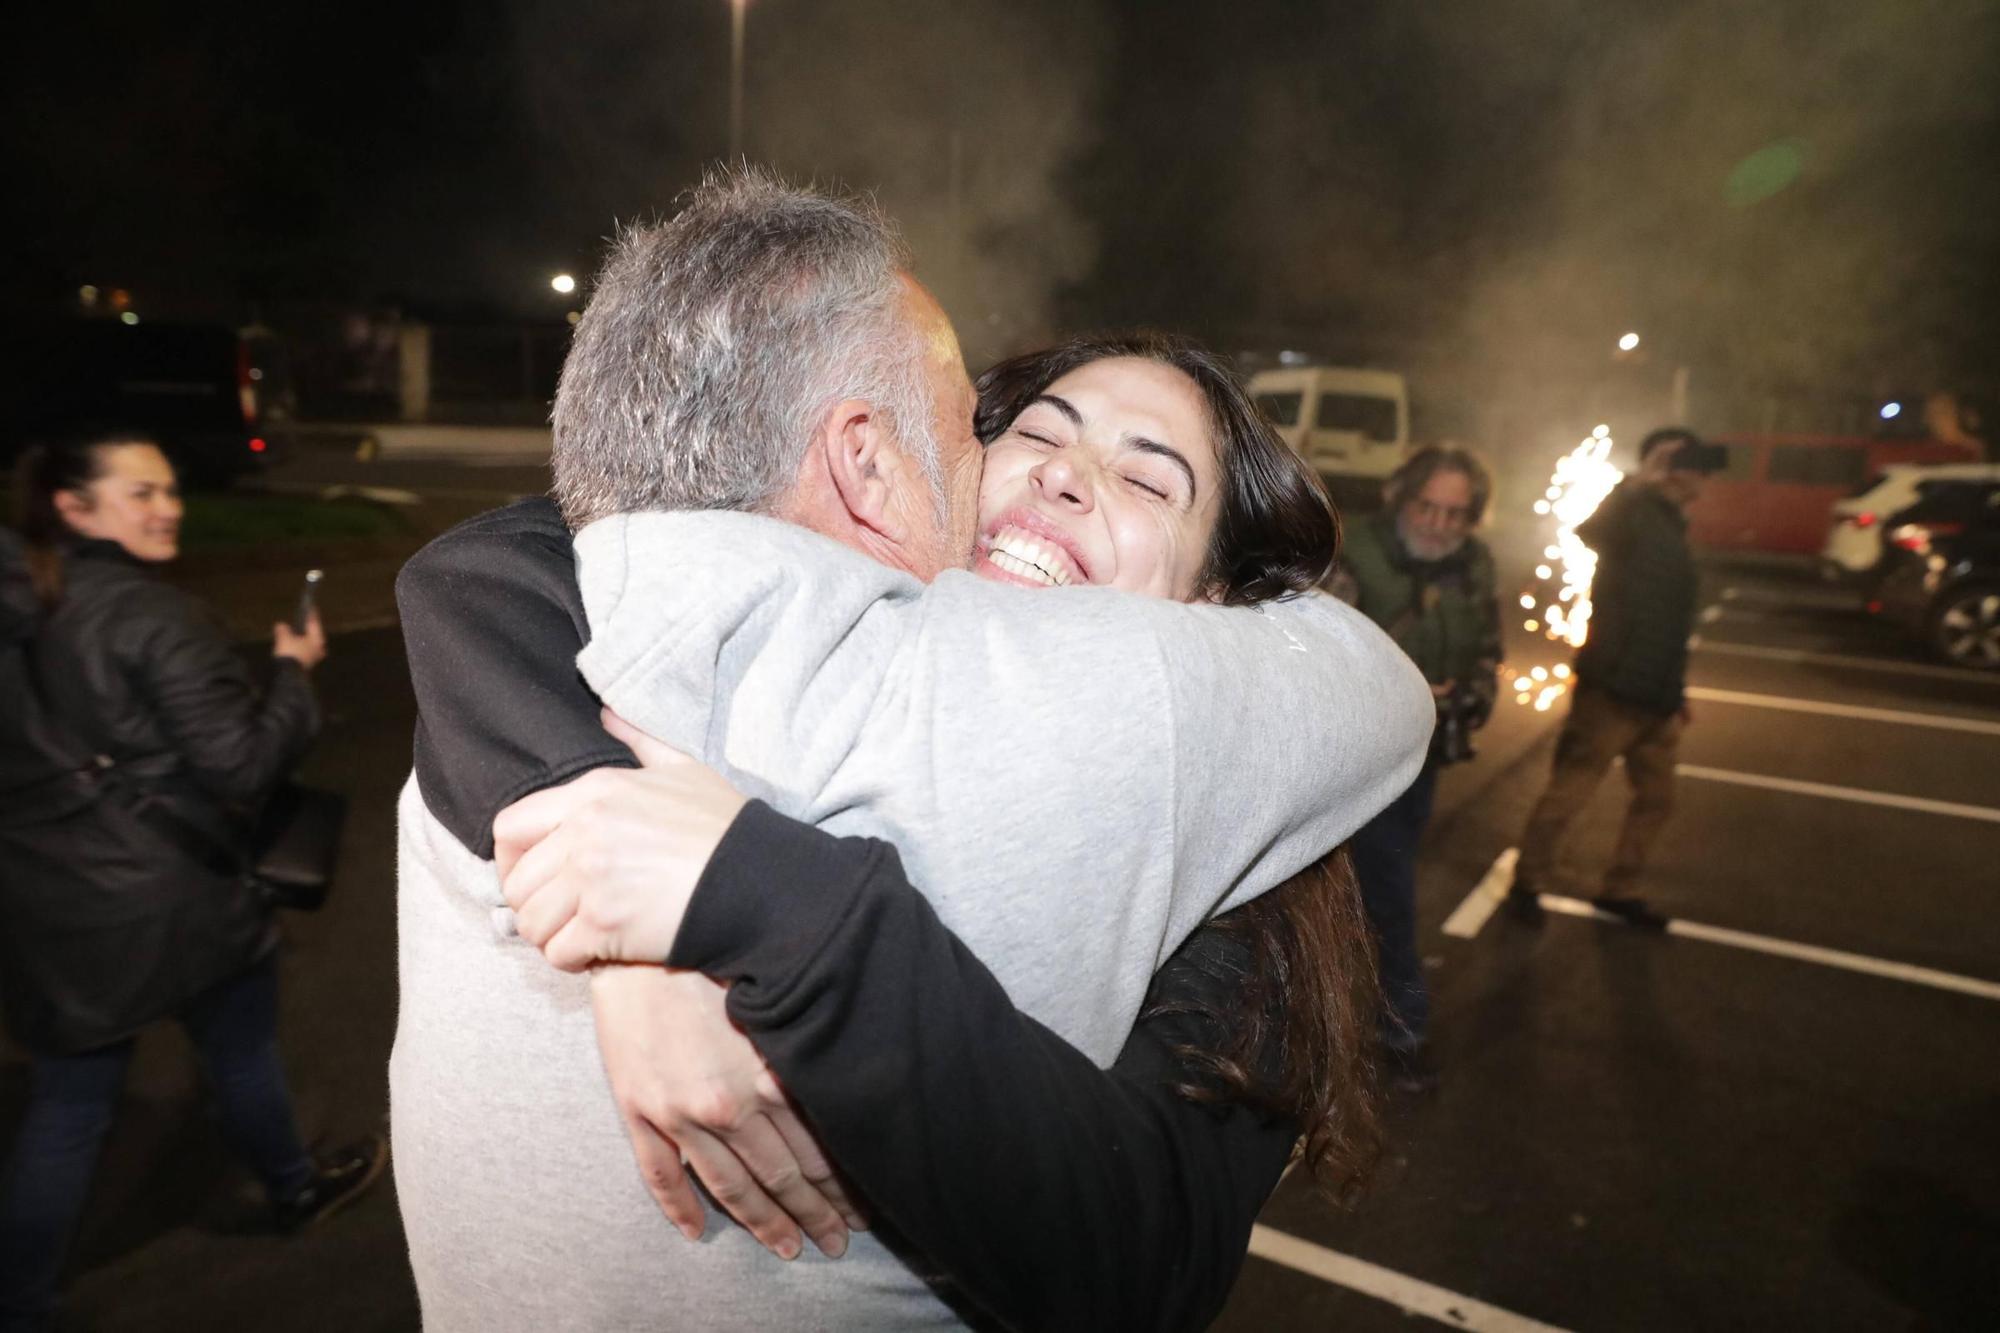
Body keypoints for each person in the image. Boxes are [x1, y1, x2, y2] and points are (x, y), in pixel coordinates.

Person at [391, 170, 1432, 1332]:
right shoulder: (776, 625)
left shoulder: (1223, 808)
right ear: (905, 463)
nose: (1064, 473)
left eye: (1147, 478)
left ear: (1220, 609)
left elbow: (1144, 1247)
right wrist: (611, 888)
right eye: (1031, 432)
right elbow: (521, 547)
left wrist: (705, 900)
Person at [0, 431, 387, 1332]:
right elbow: (243, 766)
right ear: (73, 505)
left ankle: (21, 1301)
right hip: (179, 898)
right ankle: (292, 1189)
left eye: (171, 489)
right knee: (238, 1048)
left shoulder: (23, 608)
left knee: (69, 1105)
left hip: (50, 905)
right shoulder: (150, 617)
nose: (167, 507)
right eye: (141, 493)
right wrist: (293, 670)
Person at [1331, 445, 1500, 1091]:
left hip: (1419, 760)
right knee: (1385, 893)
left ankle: (1370, 1018)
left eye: (1456, 513)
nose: (1438, 523)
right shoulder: (1354, 552)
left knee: (1379, 890)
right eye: (1428, 505)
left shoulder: (1476, 563)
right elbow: (1310, 651)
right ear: (1403, 497)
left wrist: (1469, 698)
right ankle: (1400, 1028)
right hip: (1348, 754)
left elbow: (1488, 648)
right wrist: (1395, 692)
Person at [1508, 426, 1721, 929]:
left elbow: (1671, 621)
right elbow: (1587, 533)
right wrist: (1636, 483)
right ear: (1664, 465)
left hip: (1657, 699)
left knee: (1656, 799)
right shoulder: (1632, 513)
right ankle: (1528, 880)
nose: (1704, 476)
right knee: (1571, 791)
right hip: (1612, 692)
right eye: (1691, 462)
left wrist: (1677, 691)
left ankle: (1621, 888)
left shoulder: (1672, 523)